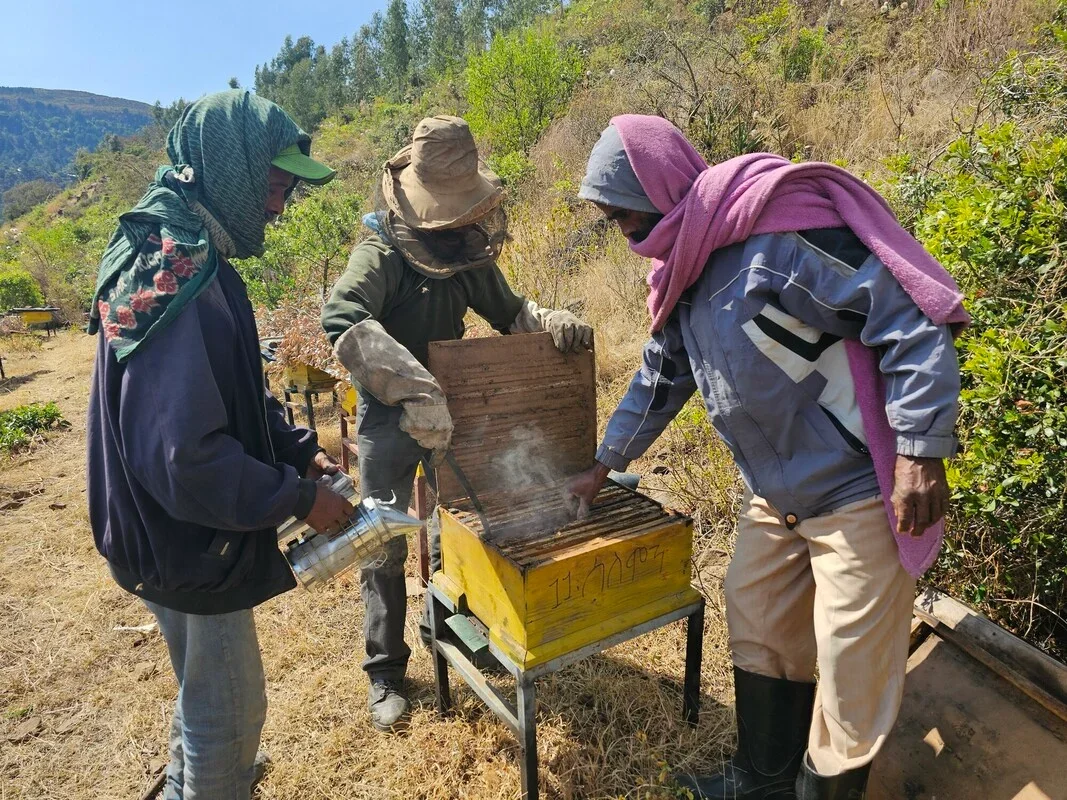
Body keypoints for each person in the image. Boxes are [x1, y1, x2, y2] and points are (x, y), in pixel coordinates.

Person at [564, 116, 968, 799]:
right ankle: (763, 780)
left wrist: (920, 451)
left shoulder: (774, 241)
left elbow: (909, 319)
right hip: (777, 493)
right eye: (610, 218)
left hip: (856, 491)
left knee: (850, 673)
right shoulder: (683, 270)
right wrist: (603, 464)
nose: (620, 228)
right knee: (754, 613)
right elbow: (660, 379)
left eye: (621, 211)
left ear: (658, 187)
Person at [86, 90, 352, 800]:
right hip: (181, 535)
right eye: (273, 184)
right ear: (227, 169)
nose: (280, 205)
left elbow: (230, 386)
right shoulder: (174, 267)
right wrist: (300, 499)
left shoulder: (190, 249)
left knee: (200, 686)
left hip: (164, 531)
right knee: (227, 713)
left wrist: (298, 450)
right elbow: (185, 456)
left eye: (288, 189)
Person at [321, 115, 593, 732]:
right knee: (384, 538)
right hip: (389, 416)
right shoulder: (381, 252)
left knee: (456, 525)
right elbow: (342, 317)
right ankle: (386, 670)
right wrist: (411, 389)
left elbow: (510, 311)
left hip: (457, 409)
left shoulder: (466, 250)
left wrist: (551, 322)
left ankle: (448, 626)